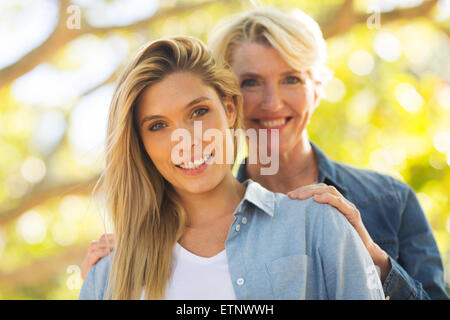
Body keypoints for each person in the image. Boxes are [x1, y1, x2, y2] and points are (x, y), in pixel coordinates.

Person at [81, 8, 449, 300]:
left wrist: (374, 260)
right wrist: (120, 264)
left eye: (291, 78)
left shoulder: (384, 201)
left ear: (316, 88)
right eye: (251, 82)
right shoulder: (195, 207)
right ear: (232, 98)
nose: (272, 102)